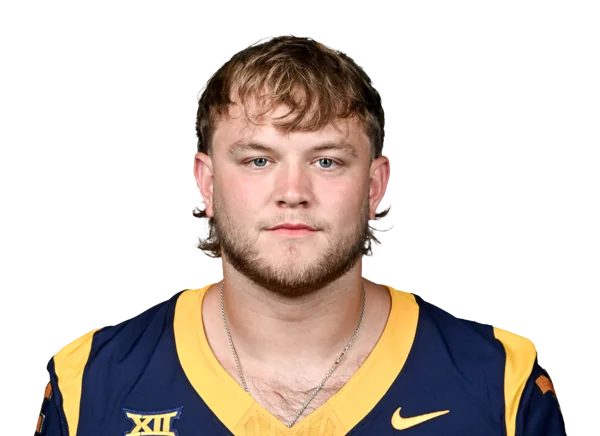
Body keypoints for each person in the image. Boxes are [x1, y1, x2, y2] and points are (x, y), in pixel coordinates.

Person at [34, 33, 566, 435]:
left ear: (376, 187)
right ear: (206, 183)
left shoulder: (500, 383)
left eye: (327, 161)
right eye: (258, 159)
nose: (293, 192)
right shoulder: (90, 383)